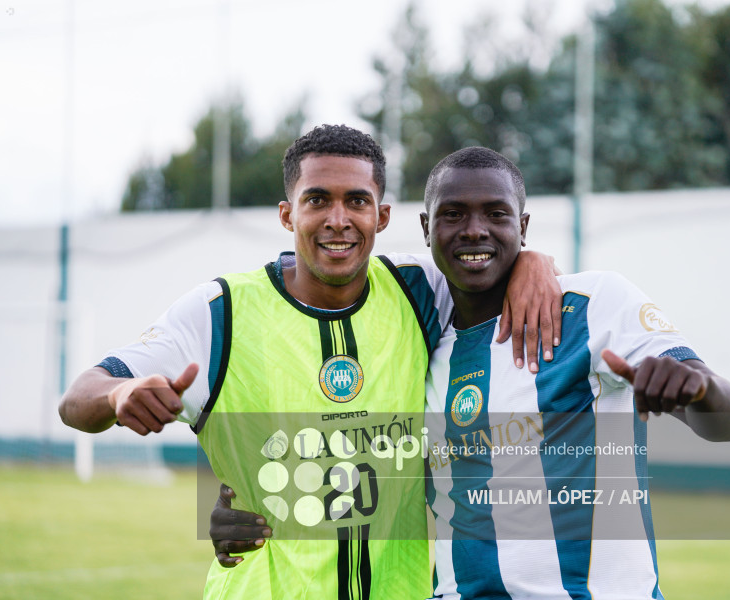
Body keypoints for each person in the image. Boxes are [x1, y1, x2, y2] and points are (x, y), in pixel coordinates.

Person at [211, 146, 730, 599]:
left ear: (523, 226)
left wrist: (697, 389)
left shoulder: (596, 304)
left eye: (496, 214)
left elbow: (727, 422)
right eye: (453, 215)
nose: (474, 231)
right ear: (426, 228)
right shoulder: (425, 345)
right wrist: (245, 509)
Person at [58, 126, 562, 599]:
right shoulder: (219, 312)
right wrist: (118, 394)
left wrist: (533, 262)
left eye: (357, 201)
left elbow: (490, 262)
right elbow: (79, 398)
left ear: (382, 216)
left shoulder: (419, 290)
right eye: (317, 200)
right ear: (287, 214)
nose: (337, 219)